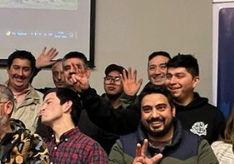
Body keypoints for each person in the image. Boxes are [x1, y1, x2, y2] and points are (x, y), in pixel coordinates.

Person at [75, 54, 225, 142]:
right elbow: (114, 120)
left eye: (179, 76)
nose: (172, 82)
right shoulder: (149, 108)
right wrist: (87, 92)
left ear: (195, 80)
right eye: (169, 76)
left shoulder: (211, 115)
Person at [5, 50, 46, 132]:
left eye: (25, 69)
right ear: (8, 70)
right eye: (16, 68)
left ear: (31, 73)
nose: (20, 73)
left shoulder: (42, 101)